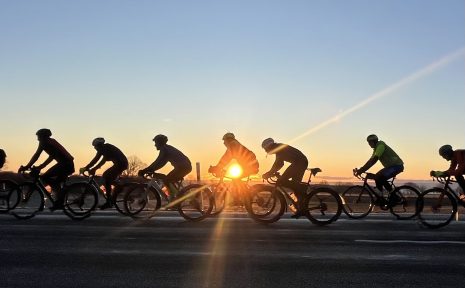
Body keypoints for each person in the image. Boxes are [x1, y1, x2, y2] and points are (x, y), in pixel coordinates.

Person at [18, 129, 75, 211]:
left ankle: (59, 201)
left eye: (38, 136)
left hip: (66, 164)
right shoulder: (49, 141)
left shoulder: (46, 142)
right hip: (65, 163)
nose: (37, 138)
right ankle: (59, 200)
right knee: (53, 181)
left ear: (43, 137)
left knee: (45, 177)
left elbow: (42, 155)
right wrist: (34, 166)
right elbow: (44, 156)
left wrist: (32, 166)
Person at [261, 138, 308, 218]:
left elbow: (279, 164)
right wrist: (272, 172)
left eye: (266, 149)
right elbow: (279, 164)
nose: (266, 151)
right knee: (295, 186)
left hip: (299, 163)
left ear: (269, 146)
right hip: (299, 162)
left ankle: (302, 191)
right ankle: (301, 207)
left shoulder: (279, 149)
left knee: (282, 181)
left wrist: (269, 173)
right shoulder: (278, 148)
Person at [138, 134, 192, 200]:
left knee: (167, 180)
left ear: (160, 142)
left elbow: (158, 162)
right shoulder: (167, 148)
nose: (155, 145)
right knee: (166, 180)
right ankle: (174, 197)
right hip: (183, 167)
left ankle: (176, 199)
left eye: (156, 143)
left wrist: (145, 170)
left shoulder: (164, 149)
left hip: (183, 167)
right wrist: (149, 169)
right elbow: (161, 163)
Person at [81, 137, 129, 209]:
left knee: (106, 176)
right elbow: (95, 159)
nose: (95, 148)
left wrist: (94, 169)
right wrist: (87, 167)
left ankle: (109, 202)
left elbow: (103, 161)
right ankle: (117, 188)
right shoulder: (103, 149)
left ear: (99, 145)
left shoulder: (106, 148)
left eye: (95, 146)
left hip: (121, 164)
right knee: (107, 177)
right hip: (119, 164)